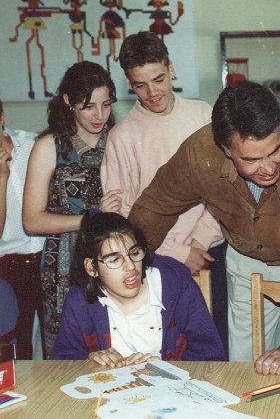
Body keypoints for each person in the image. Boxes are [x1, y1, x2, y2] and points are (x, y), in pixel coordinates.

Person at [128, 81, 280, 375]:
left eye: (275, 151)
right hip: (246, 259)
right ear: (225, 150)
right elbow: (153, 207)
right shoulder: (199, 153)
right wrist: (127, 265)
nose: (268, 168)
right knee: (246, 366)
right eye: (251, 160)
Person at [100, 31, 227, 353]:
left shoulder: (203, 115)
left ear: (170, 67)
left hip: (211, 249)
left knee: (213, 343)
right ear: (128, 82)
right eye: (140, 85)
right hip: (155, 256)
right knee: (169, 349)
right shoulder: (122, 136)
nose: (152, 92)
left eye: (158, 79)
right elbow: (123, 213)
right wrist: (180, 252)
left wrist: (199, 243)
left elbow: (224, 185)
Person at [22, 61, 121, 358]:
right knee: (68, 349)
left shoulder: (118, 139)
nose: (99, 115)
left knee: (115, 342)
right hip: (63, 262)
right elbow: (31, 220)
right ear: (68, 101)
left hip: (113, 258)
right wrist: (90, 219)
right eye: (88, 106)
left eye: (106, 105)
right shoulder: (49, 146)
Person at [53, 212, 226, 365]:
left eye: (135, 253)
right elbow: (64, 363)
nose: (131, 267)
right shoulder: (80, 300)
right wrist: (88, 362)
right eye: (114, 260)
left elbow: (211, 358)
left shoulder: (177, 284)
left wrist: (167, 370)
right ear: (91, 268)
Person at [0, 99, 45, 359]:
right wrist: (2, 178)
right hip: (8, 267)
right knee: (20, 349)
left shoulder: (32, 145)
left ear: (2, 116)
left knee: (56, 343)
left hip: (46, 256)